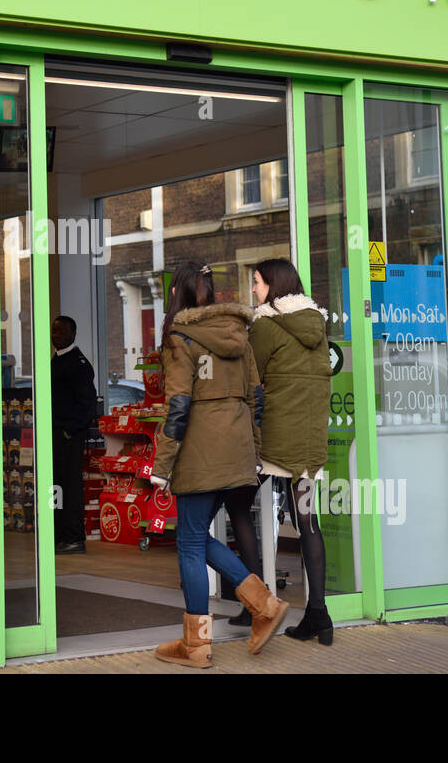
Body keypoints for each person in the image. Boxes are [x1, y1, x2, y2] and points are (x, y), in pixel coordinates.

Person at [149, 260, 288, 668]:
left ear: (178, 293)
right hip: (237, 450)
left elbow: (178, 405)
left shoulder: (180, 339)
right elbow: (256, 399)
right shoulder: (238, 335)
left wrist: (161, 465)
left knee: (190, 543)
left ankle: (199, 644)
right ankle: (262, 604)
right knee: (196, 537)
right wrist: (253, 450)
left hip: (201, 453)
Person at [239, 257, 334, 645]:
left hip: (275, 441)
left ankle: (257, 606)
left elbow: (251, 376)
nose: (253, 291)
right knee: (308, 522)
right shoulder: (316, 322)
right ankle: (319, 616)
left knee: (235, 504)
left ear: (273, 286)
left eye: (257, 283)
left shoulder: (264, 323)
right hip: (310, 441)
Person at [50, 314, 97, 554]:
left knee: (70, 487)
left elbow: (88, 404)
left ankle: (74, 538)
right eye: (54, 331)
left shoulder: (78, 364)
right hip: (54, 434)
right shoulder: (55, 360)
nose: (56, 335)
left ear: (73, 334)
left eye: (61, 331)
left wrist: (69, 430)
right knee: (54, 486)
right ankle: (56, 534)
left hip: (69, 436)